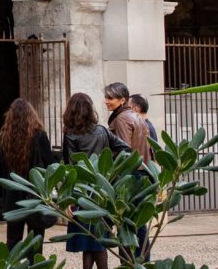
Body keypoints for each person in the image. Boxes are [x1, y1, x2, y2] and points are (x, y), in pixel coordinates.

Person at [62, 92, 131, 269]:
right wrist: (112, 168)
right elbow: (126, 149)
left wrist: (68, 199)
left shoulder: (70, 135)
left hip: (82, 192)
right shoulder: (102, 131)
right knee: (99, 241)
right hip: (103, 190)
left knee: (88, 242)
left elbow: (70, 167)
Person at [0, 98, 58, 248]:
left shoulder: (2, 139)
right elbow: (50, 164)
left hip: (12, 193)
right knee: (36, 240)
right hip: (35, 192)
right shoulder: (39, 136)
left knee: (13, 240)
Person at [104, 82, 151, 262]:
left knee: (128, 221)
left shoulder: (122, 119)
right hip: (141, 173)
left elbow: (124, 151)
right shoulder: (135, 116)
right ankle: (142, 260)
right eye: (106, 97)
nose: (106, 101)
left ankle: (131, 262)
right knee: (138, 220)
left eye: (111, 98)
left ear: (122, 99)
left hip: (130, 175)